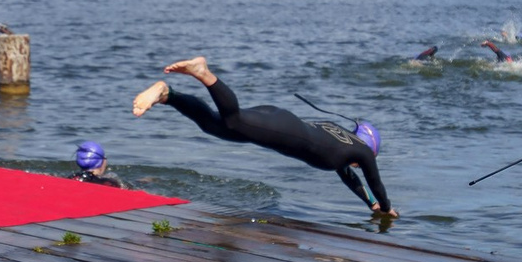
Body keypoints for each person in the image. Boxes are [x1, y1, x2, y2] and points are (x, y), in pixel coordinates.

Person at [134, 57, 392, 217]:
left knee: (215, 126)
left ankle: (168, 95)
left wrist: (371, 205)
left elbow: (350, 178)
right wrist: (386, 206)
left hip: (279, 119)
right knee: (234, 120)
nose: (359, 163)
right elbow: (375, 183)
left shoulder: (341, 142)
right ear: (370, 145)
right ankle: (204, 73)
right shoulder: (362, 151)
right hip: (283, 130)